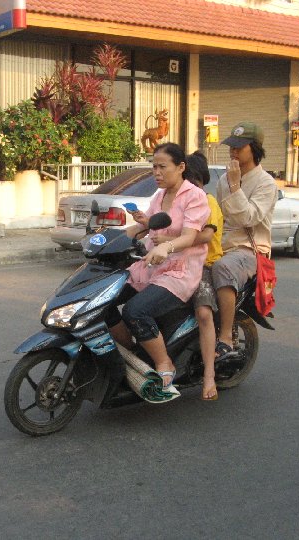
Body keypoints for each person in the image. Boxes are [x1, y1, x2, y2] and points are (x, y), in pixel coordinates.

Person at [107, 143, 210, 397]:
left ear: (181, 167)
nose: (157, 173)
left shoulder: (195, 196)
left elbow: (189, 236)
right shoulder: (159, 196)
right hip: (150, 265)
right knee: (104, 301)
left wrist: (168, 247)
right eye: (154, 167)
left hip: (179, 269)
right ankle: (133, 351)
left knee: (135, 311)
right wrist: (107, 241)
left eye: (162, 167)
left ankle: (164, 362)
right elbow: (146, 227)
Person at [152, 151, 223, 401]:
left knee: (203, 313)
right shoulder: (169, 198)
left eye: (192, 179)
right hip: (177, 261)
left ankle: (209, 376)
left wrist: (167, 241)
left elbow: (202, 237)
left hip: (204, 264)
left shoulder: (206, 201)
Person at [212, 122, 278, 360]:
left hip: (250, 250)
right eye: (232, 146)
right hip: (222, 246)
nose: (234, 151)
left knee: (223, 267)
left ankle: (226, 337)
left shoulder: (266, 183)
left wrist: (234, 186)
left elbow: (249, 218)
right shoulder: (222, 181)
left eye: (240, 147)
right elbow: (218, 217)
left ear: (255, 148)